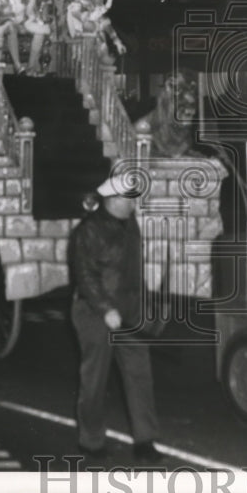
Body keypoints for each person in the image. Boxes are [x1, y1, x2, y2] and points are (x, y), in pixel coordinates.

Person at [70, 176, 162, 466]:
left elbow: (134, 269)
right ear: (112, 200)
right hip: (95, 313)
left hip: (129, 312)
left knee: (139, 374)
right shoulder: (88, 231)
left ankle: (145, 441)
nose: (134, 204)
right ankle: (92, 440)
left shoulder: (130, 223)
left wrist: (145, 303)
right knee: (95, 379)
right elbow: (85, 276)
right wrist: (105, 309)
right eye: (129, 199)